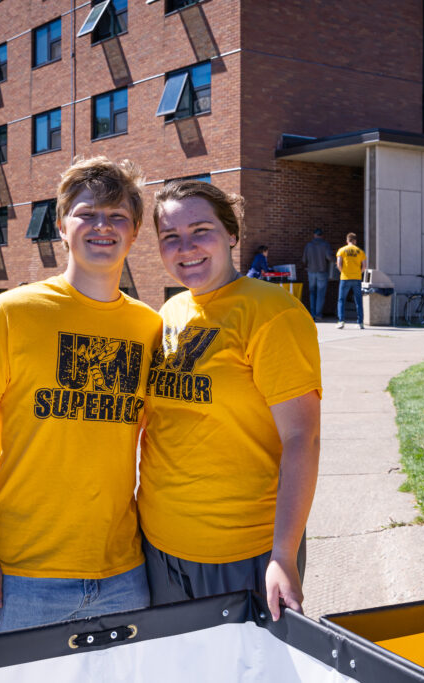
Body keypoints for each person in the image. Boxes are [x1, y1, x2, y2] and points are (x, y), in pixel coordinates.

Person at [0, 156, 161, 634]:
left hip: (123, 574)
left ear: (135, 231)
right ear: (62, 226)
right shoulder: (13, 312)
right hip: (21, 578)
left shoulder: (149, 327)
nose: (103, 226)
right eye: (87, 213)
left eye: (118, 216)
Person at [140, 180, 321, 622]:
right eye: (170, 238)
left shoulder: (271, 313)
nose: (186, 247)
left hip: (243, 553)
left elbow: (302, 438)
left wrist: (283, 555)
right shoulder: (169, 313)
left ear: (232, 234)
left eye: (201, 230)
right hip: (158, 547)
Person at [335, 232, 366, 329]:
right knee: (358, 300)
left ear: (347, 241)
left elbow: (339, 264)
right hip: (357, 278)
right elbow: (364, 266)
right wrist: (359, 273)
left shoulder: (342, 250)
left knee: (341, 300)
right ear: (355, 241)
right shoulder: (360, 251)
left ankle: (341, 321)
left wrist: (342, 272)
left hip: (345, 277)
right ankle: (360, 322)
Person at [301, 228, 333, 322]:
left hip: (311, 271)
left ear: (314, 235)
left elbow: (304, 260)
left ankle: (312, 314)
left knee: (312, 293)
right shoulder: (325, 245)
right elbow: (329, 257)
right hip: (322, 271)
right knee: (320, 294)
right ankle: (318, 315)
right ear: (322, 235)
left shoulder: (308, 245)